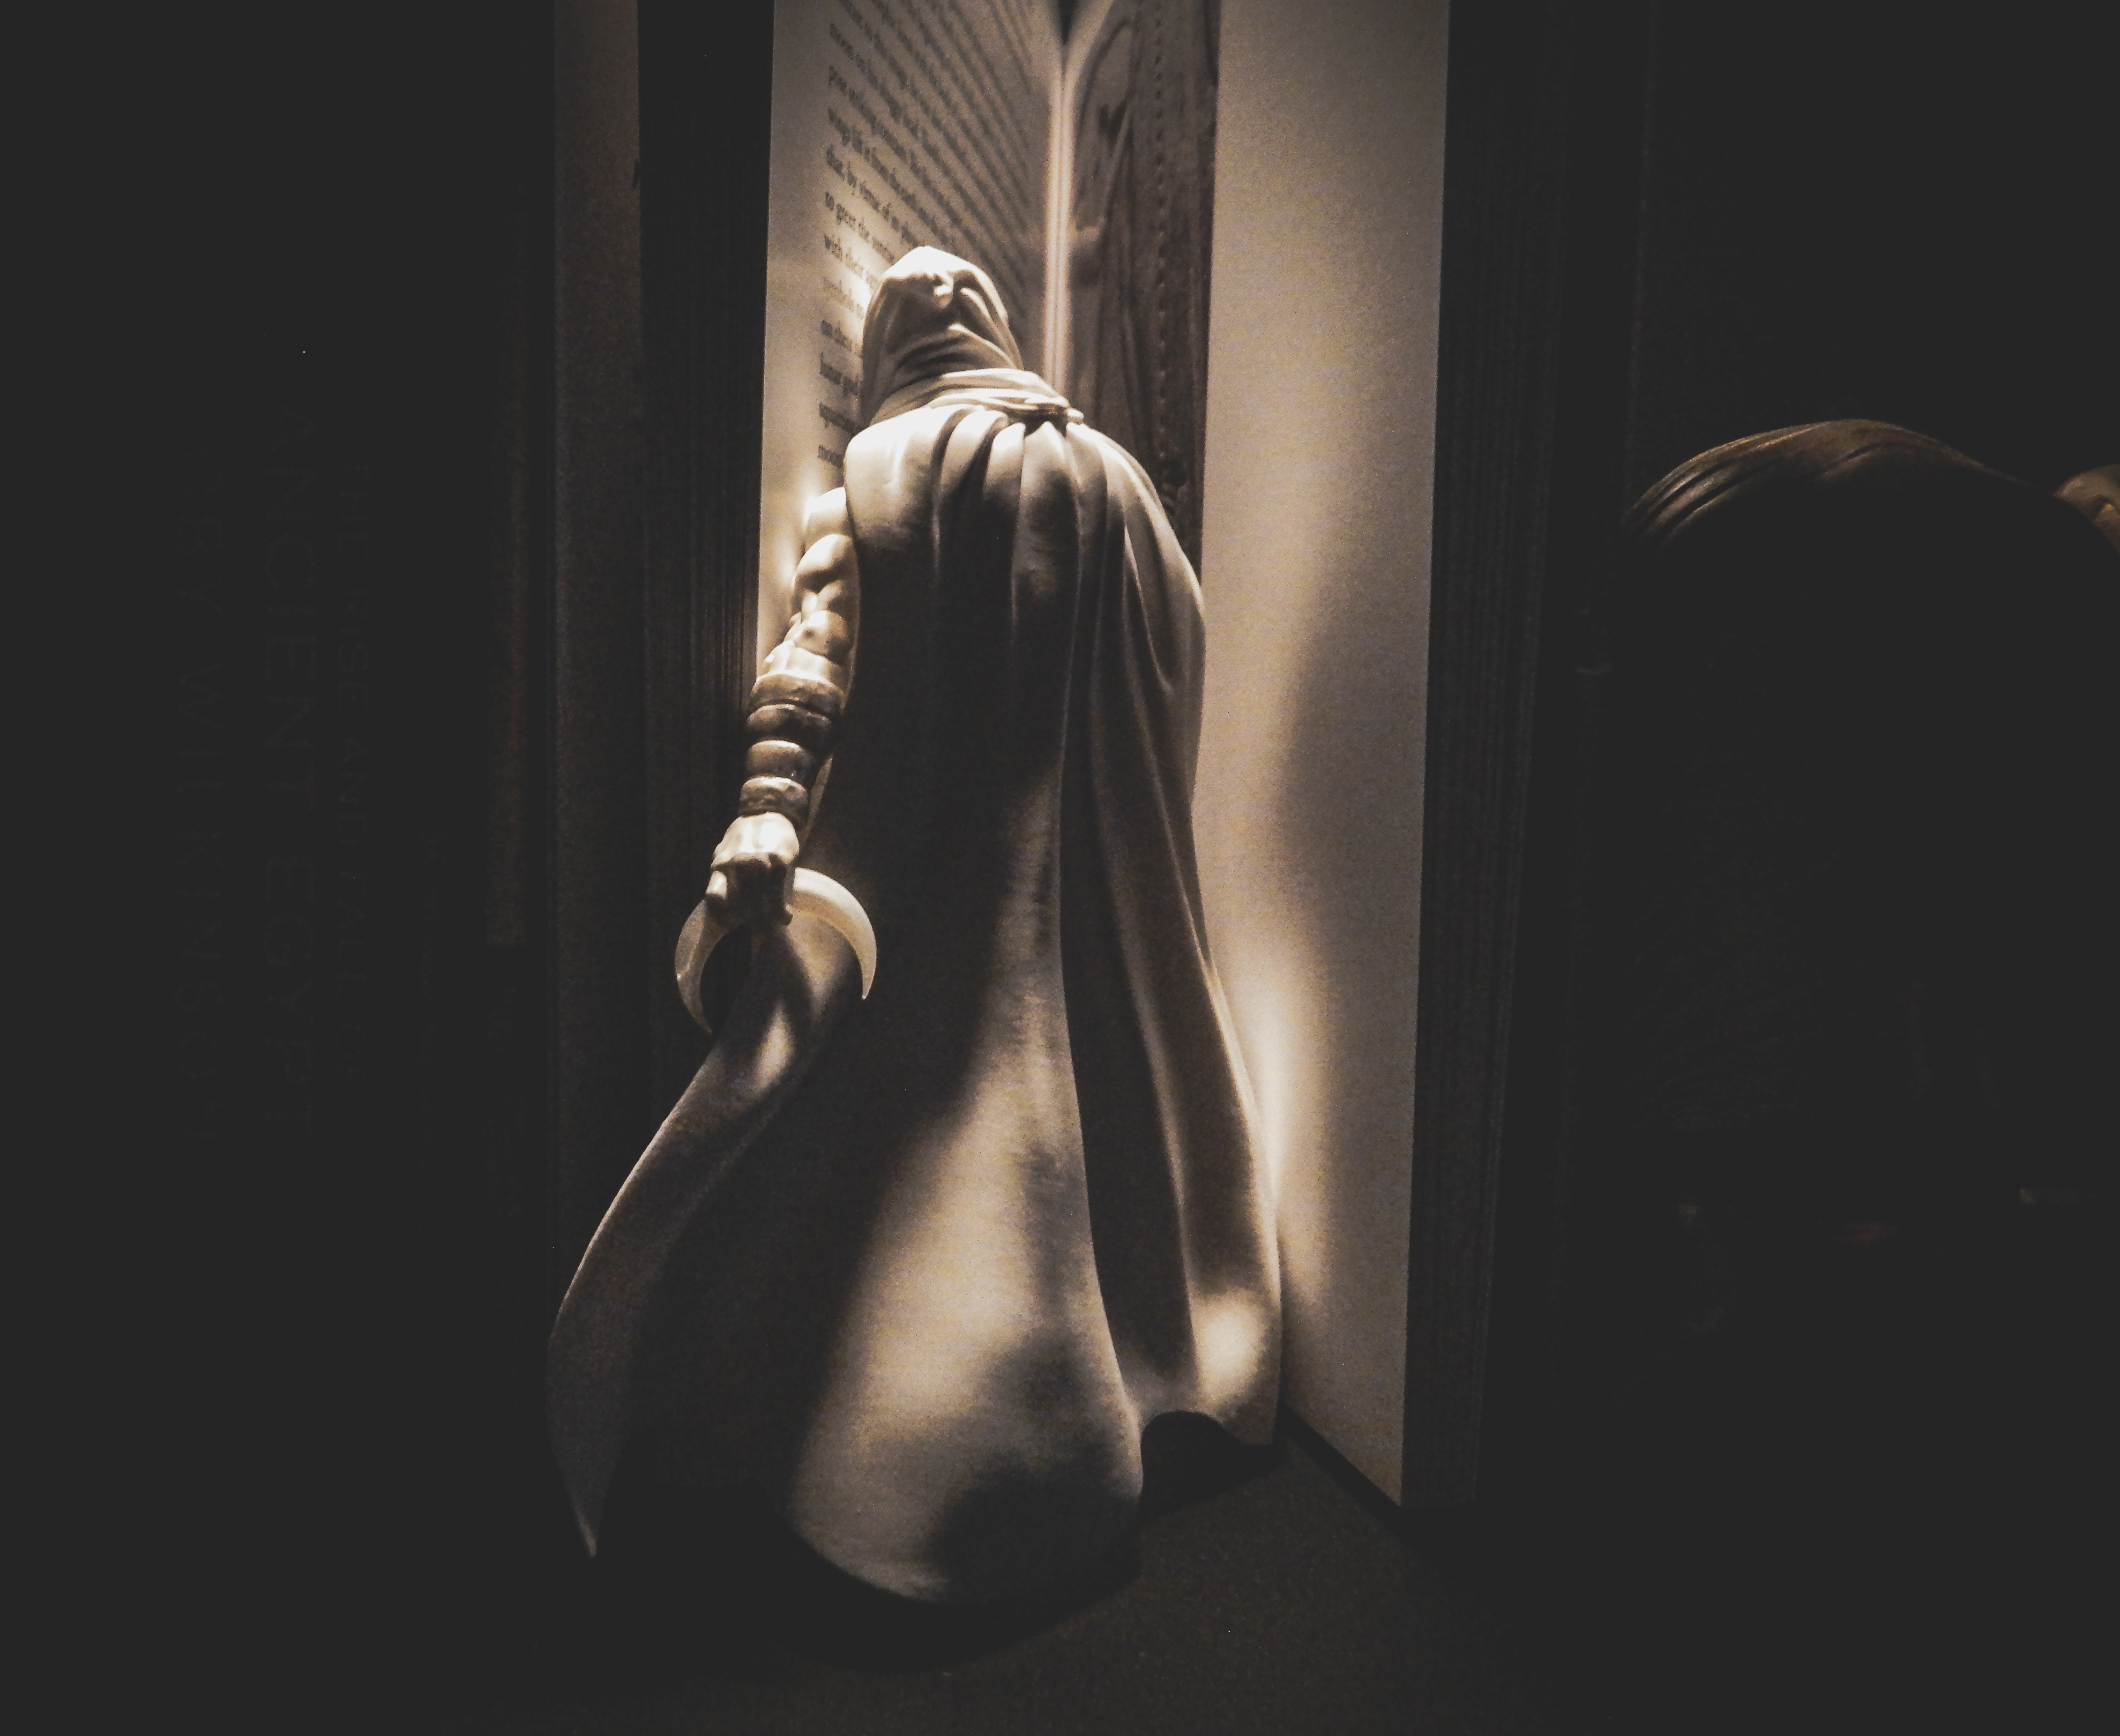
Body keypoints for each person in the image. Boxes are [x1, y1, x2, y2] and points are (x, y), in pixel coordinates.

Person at [548, 248, 1280, 1605]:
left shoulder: (892, 469)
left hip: (949, 896)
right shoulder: (1112, 482)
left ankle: (928, 1454)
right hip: (1071, 907)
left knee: (923, 1156)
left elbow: (810, 661)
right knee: (1073, 1141)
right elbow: (1173, 669)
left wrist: (766, 811)